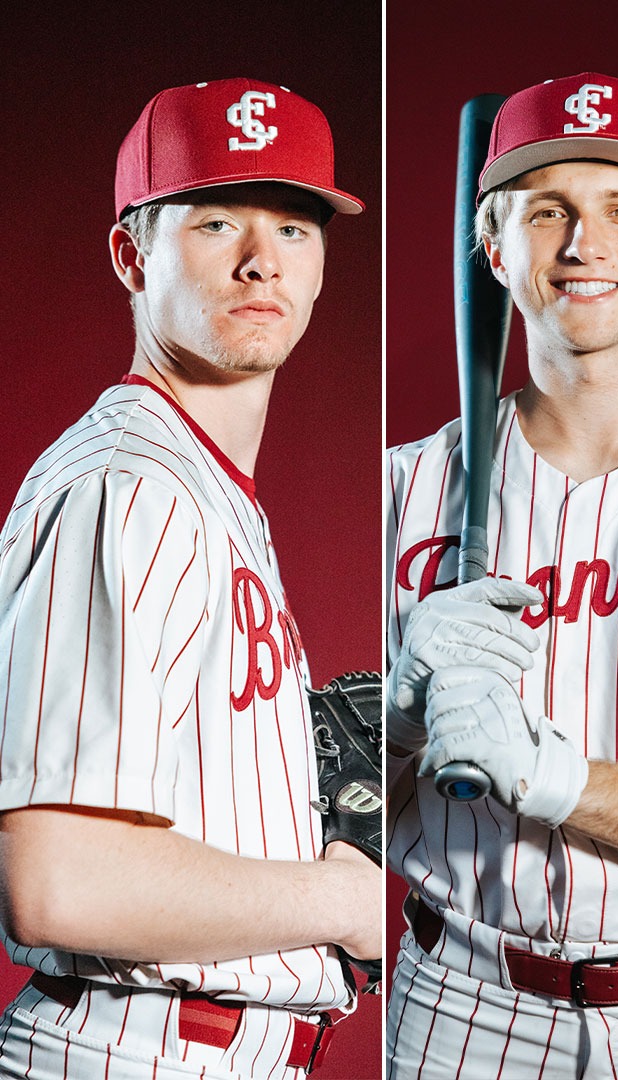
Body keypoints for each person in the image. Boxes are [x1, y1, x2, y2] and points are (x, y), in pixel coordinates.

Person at [383, 73, 618, 1077]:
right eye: (545, 210)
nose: (581, 245)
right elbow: (314, 812)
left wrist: (559, 782)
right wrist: (398, 716)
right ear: (493, 246)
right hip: (459, 1003)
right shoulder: (404, 492)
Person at [0, 78, 377, 1078]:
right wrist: (344, 896)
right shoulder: (129, 485)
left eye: (295, 227)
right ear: (132, 253)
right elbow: (60, 884)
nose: (263, 261)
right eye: (215, 221)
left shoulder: (204, 487)